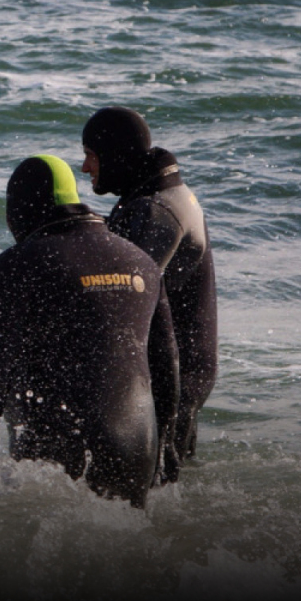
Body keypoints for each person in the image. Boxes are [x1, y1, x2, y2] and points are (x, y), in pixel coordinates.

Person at [0, 155, 179, 507]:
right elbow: (167, 365)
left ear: (22, 208)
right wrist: (165, 453)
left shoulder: (18, 264)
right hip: (137, 462)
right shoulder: (140, 261)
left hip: (58, 467)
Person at [82, 106, 217, 462]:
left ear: (114, 156)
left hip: (175, 375)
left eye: (91, 156)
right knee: (169, 484)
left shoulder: (158, 212)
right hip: (185, 367)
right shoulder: (159, 196)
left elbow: (125, 299)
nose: (85, 168)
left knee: (153, 482)